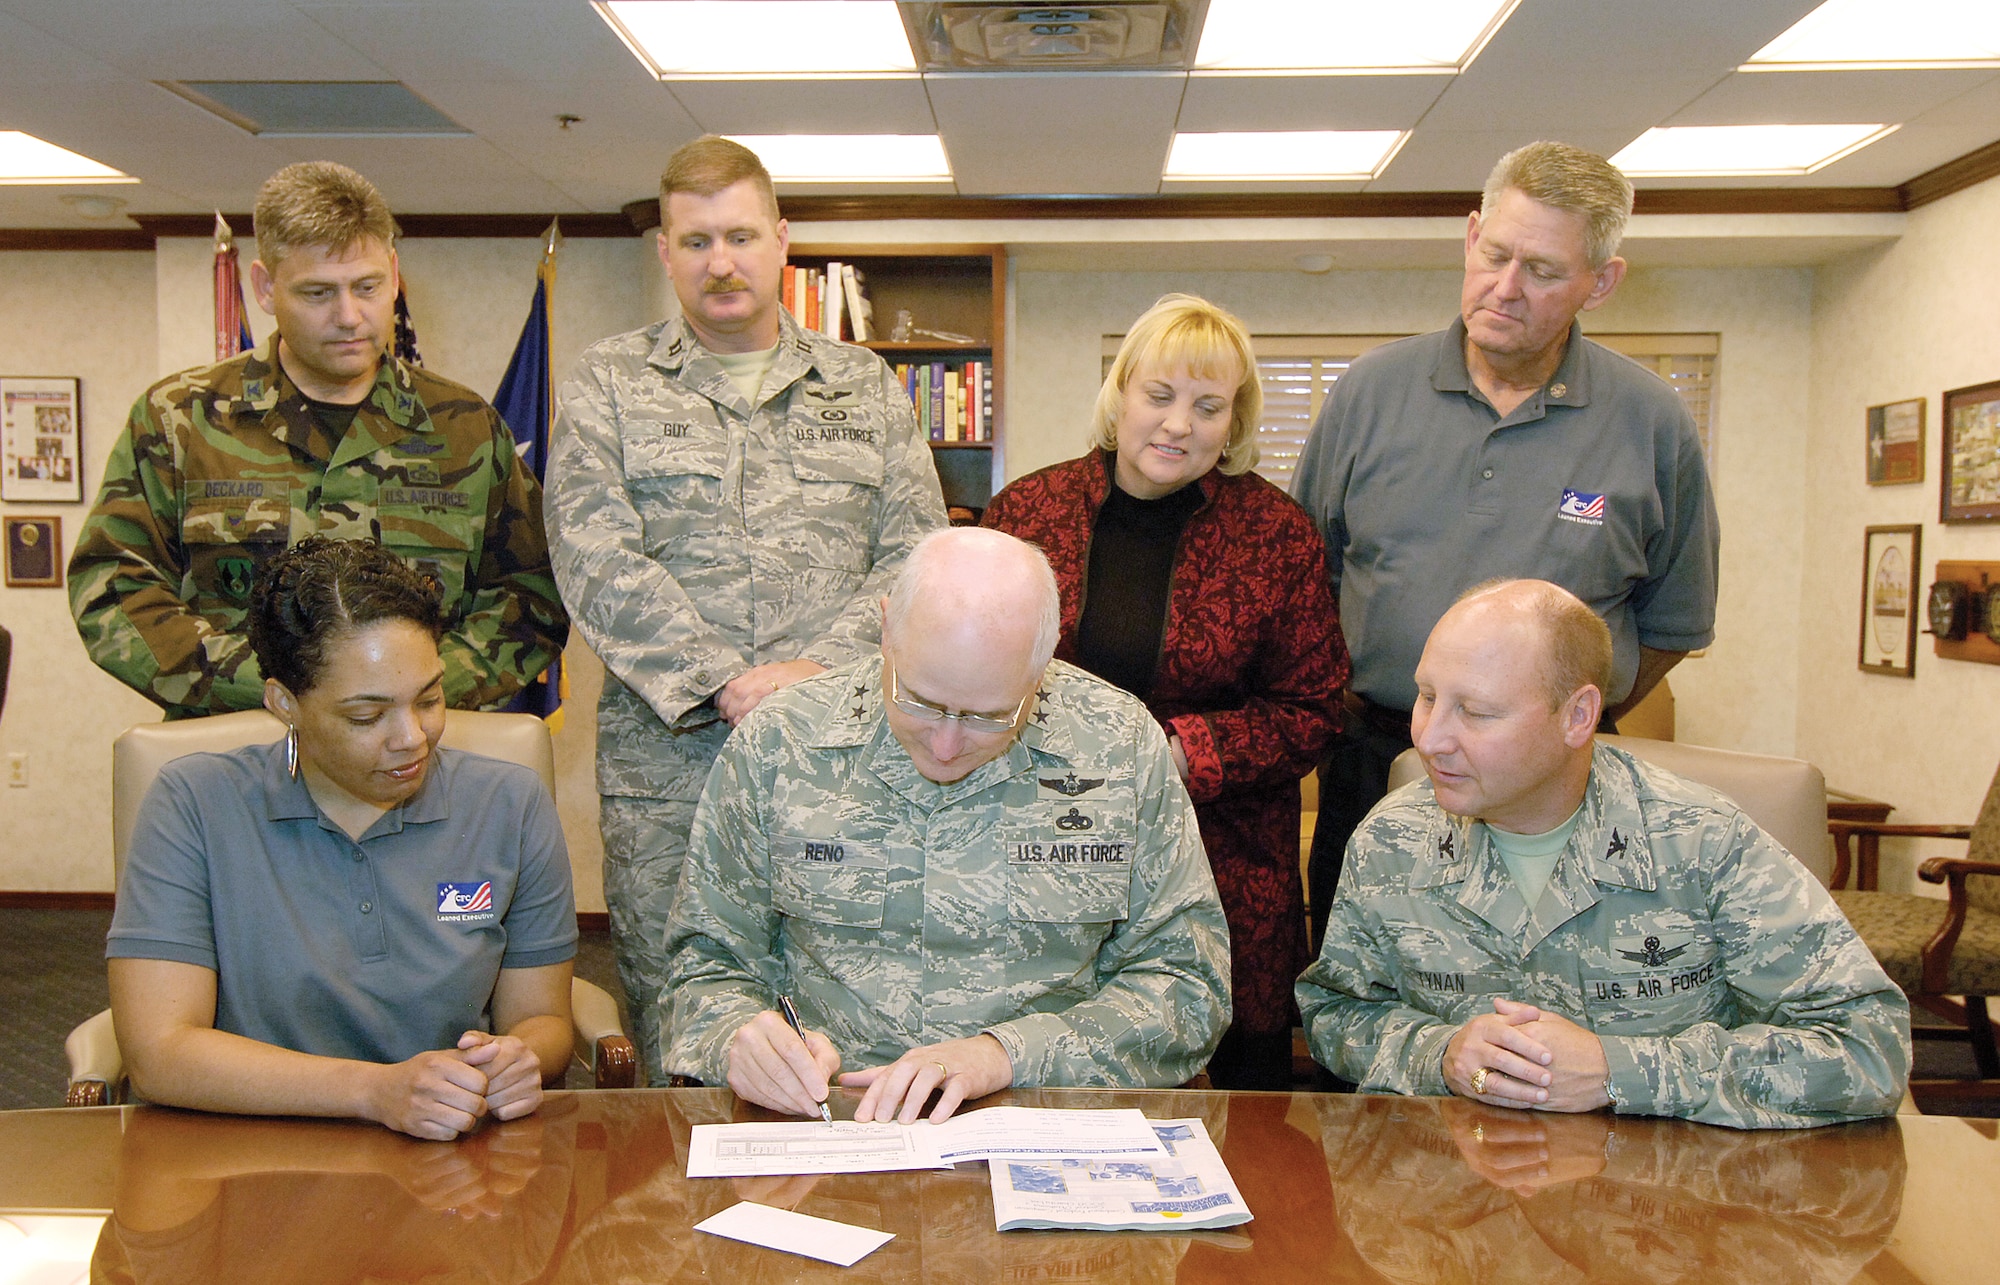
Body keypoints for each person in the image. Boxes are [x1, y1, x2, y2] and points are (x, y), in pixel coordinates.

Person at [546, 135, 946, 1080]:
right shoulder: (608, 382)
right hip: (674, 764)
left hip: (847, 756)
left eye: (738, 235)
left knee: (850, 1002)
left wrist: (815, 675)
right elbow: (593, 553)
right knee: (679, 1011)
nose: (719, 261)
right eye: (695, 241)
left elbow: (916, 553)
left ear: (781, 241)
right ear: (665, 252)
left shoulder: (867, 388)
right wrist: (724, 680)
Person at [1291, 140, 1720, 935]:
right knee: (1358, 1001)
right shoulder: (1369, 393)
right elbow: (1300, 583)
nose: (1505, 288)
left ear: (1603, 281)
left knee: (1555, 1004)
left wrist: (1548, 722)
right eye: (1495, 254)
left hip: (1561, 781)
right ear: (1470, 234)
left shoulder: (1651, 421)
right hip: (1372, 756)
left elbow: (1673, 624)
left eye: (1545, 271)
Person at [663, 528, 1230, 1123]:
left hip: (1043, 1121)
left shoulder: (1119, 744)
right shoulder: (782, 742)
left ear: (1045, 661)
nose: (946, 742)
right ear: (886, 629)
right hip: (830, 1124)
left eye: (988, 715)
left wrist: (1007, 1056)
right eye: (920, 700)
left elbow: (1189, 984)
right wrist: (737, 1040)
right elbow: (702, 970)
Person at [1297, 579, 1909, 1129]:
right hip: (1461, 1220)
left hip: (1663, 1215)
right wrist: (1441, 1055)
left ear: (1579, 716)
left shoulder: (1701, 842)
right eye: (1427, 697)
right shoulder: (1391, 842)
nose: (1430, 739)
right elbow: (1335, 1013)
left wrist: (1622, 1070)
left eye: (1476, 712)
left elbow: (1869, 1047)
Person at [982, 293, 1346, 1089]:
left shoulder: (1278, 534)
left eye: (1208, 406)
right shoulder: (1027, 513)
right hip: (1047, 845)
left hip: (1223, 859)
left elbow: (1314, 707)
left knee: (1239, 1118)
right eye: (1160, 395)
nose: (1179, 424)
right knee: (1054, 1068)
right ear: (1119, 396)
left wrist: (1178, 755)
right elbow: (978, 671)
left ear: (1234, 421)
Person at [106, 537, 577, 1141]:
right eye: (365, 717)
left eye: (429, 699)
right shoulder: (195, 803)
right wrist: (374, 1091)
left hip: (452, 1162)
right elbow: (160, 1053)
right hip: (247, 1157)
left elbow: (542, 1019)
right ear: (284, 704)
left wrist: (518, 1059)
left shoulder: (508, 804)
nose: (412, 738)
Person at [68, 161, 568, 719]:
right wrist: (272, 687)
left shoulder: (465, 427)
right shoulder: (182, 420)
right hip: (240, 749)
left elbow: (533, 594)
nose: (349, 316)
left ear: (394, 274)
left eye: (368, 287)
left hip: (419, 758)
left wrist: (408, 689)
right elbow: (112, 587)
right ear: (264, 287)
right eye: (317, 293)